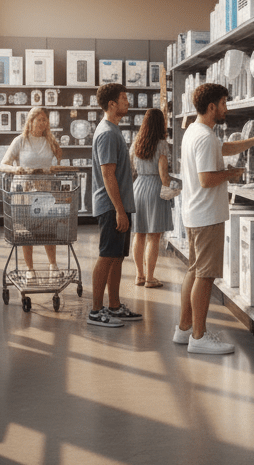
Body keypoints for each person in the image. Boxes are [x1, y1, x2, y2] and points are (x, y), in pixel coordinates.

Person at [175, 83, 254, 354]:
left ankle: (184, 327)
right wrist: (233, 173)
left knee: (194, 270)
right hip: (207, 214)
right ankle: (198, 336)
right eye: (223, 103)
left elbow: (225, 148)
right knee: (206, 275)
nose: (226, 107)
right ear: (212, 106)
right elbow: (207, 178)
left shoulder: (195, 132)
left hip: (194, 212)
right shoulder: (206, 138)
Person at [88, 83, 142, 327]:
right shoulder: (108, 133)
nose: (127, 102)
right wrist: (120, 210)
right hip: (112, 206)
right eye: (123, 98)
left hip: (119, 205)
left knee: (117, 257)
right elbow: (108, 174)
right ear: (111, 104)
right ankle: (96, 310)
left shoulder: (113, 129)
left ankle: (114, 305)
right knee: (107, 256)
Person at [0, 106, 64, 275]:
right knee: (25, 230)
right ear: (31, 121)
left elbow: (56, 164)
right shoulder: (20, 140)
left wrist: (55, 165)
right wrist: (16, 169)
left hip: (46, 189)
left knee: (49, 228)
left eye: (45, 120)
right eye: (39, 119)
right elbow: (3, 164)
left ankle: (53, 265)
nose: (42, 123)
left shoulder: (51, 140)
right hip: (24, 190)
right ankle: (30, 269)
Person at [130, 108, 173, 289]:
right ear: (160, 123)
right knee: (154, 237)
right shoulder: (162, 144)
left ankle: (139, 275)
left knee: (139, 234)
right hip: (156, 188)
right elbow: (163, 175)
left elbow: (132, 169)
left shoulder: (135, 143)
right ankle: (150, 278)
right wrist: (172, 188)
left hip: (138, 187)